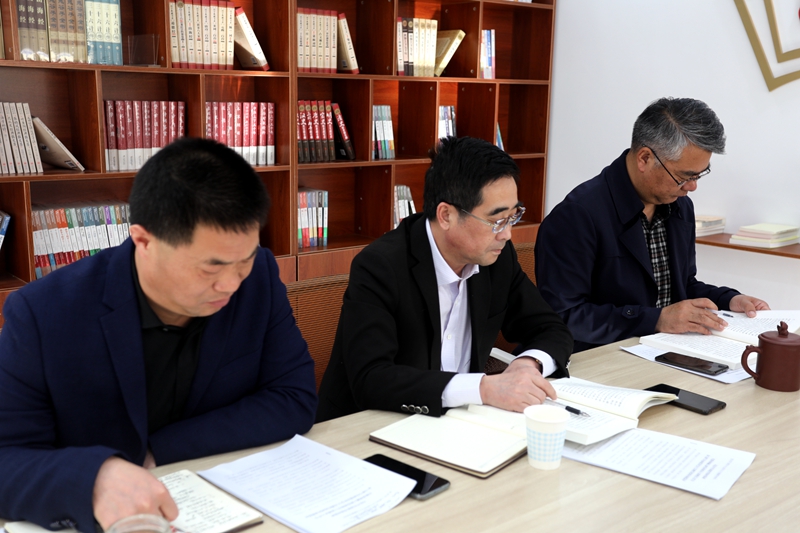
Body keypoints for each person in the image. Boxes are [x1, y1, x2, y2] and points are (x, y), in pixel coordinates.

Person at [0, 138, 317, 532]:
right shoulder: (44, 313)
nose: (231, 285)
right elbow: (6, 456)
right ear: (144, 241)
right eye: (210, 268)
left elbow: (294, 397)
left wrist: (159, 449)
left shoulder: (260, 278)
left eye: (244, 261)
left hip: (231, 505)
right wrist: (95, 476)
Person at [317, 136, 573, 422]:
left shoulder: (496, 257)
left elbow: (551, 328)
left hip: (458, 423)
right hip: (370, 426)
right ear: (446, 215)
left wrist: (528, 364)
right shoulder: (381, 266)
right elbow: (371, 378)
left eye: (513, 216)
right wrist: (482, 388)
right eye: (497, 220)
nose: (506, 234)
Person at [535, 97, 769, 352]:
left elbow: (681, 286)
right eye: (684, 176)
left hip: (662, 350)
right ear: (645, 158)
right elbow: (564, 316)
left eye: (699, 175)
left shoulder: (680, 206)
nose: (692, 187)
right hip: (597, 358)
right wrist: (656, 320)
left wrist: (729, 300)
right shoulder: (577, 216)